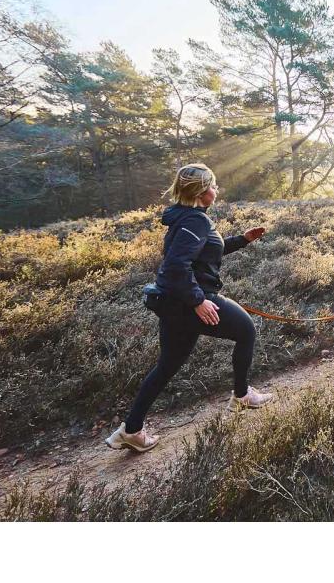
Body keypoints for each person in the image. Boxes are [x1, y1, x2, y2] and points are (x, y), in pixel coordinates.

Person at [106, 163, 273, 452]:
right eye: (213, 185)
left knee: (167, 365)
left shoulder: (185, 218)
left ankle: (131, 430)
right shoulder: (195, 221)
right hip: (190, 300)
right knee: (246, 331)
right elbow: (174, 267)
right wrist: (198, 301)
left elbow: (202, 253)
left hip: (172, 304)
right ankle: (242, 395)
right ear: (201, 191)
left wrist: (242, 240)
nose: (216, 190)